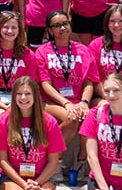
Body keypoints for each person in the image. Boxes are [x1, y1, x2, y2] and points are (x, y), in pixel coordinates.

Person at [0, 76, 65, 190]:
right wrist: (24, 184)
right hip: (12, 178)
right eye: (19, 94)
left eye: (28, 94)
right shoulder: (4, 120)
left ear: (35, 96)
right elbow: (2, 160)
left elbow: (53, 161)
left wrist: (37, 184)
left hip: (42, 178)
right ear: (13, 97)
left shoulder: (49, 122)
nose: (23, 98)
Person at [37, 11, 99, 155]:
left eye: (65, 23)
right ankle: (52, 159)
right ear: (50, 31)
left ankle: (82, 160)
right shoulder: (42, 52)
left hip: (78, 100)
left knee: (89, 118)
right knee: (71, 119)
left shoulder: (84, 50)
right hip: (50, 101)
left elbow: (89, 82)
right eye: (57, 26)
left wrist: (84, 102)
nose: (63, 28)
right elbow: (46, 85)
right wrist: (66, 104)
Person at [0, 12, 38, 122]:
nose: (10, 31)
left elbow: (32, 85)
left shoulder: (28, 54)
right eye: (6, 27)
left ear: (19, 31)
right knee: (6, 118)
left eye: (14, 27)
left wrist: (17, 104)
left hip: (22, 97)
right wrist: (5, 107)